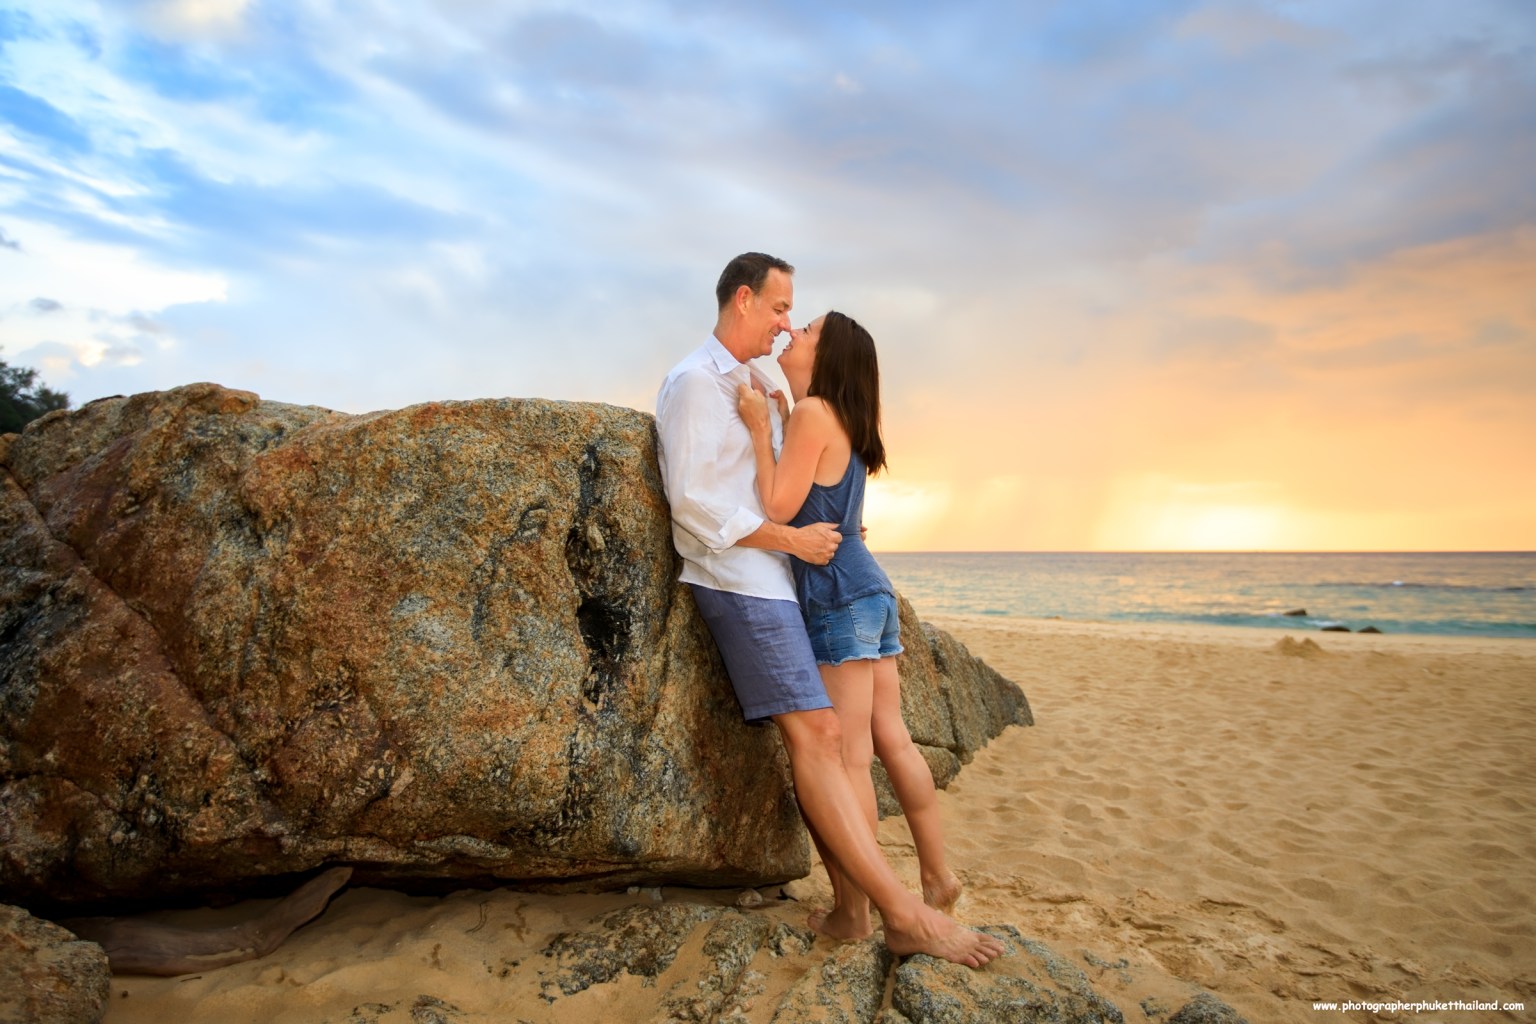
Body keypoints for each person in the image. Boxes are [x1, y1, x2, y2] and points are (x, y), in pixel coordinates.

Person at [655, 253, 1002, 967]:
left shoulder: (761, 386)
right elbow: (692, 504)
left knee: (830, 743)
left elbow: (787, 480)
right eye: (782, 309)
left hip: (782, 578)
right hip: (741, 578)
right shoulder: (694, 382)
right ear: (745, 300)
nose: (787, 325)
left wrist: (804, 518)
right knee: (824, 740)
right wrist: (792, 537)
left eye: (797, 317)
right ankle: (900, 912)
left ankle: (866, 909)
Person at [735, 310, 962, 942]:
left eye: (805, 331)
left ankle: (857, 912)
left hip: (837, 595)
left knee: (851, 759)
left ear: (826, 356)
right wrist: (781, 419)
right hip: (872, 589)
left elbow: (778, 507)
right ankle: (937, 875)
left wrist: (760, 429)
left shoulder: (813, 415)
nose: (791, 334)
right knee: (895, 739)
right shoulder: (845, 420)